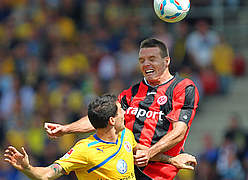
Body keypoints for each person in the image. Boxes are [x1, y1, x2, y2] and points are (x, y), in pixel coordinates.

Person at [45, 38, 200, 179]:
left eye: (152, 59)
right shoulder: (131, 93)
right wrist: (66, 129)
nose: (146, 64)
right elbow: (102, 117)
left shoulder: (182, 88)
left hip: (156, 174)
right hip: (124, 168)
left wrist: (149, 152)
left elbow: (179, 132)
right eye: (142, 60)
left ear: (166, 61)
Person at [4, 94, 197, 179]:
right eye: (121, 110)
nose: (125, 113)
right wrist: (27, 168)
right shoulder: (83, 150)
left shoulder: (126, 135)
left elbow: (143, 154)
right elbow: (47, 174)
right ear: (112, 120)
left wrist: (173, 160)